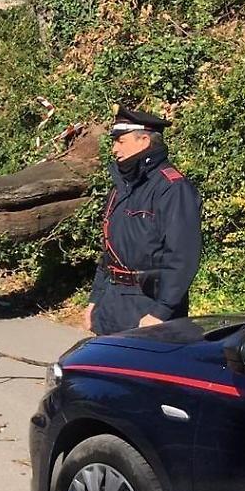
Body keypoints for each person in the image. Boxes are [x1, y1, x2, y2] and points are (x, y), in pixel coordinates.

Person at [85, 106, 202, 335]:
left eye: (120, 140)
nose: (114, 148)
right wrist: (94, 300)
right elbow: (108, 253)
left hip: (149, 306)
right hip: (113, 302)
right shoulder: (122, 188)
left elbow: (182, 257)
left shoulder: (172, 189)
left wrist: (161, 311)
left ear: (144, 140)